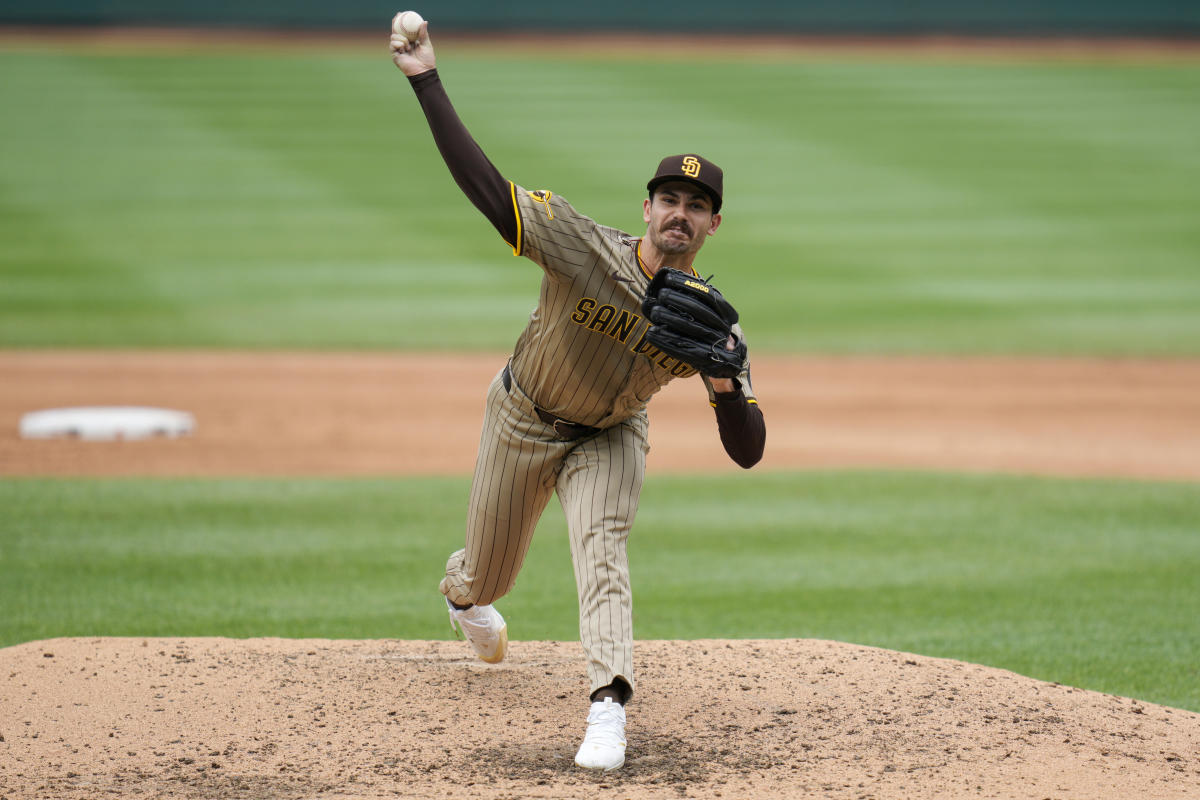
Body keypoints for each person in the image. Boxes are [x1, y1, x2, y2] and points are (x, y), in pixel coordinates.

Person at [390, 18, 766, 772]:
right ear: (649, 205)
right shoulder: (581, 244)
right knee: (486, 576)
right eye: (669, 198)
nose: (679, 214)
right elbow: (489, 193)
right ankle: (464, 600)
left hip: (611, 435)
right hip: (523, 417)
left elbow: (748, 450)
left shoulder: (704, 320)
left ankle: (607, 708)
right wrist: (426, 79)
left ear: (713, 224)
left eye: (696, 206)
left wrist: (726, 385)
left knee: (603, 547)